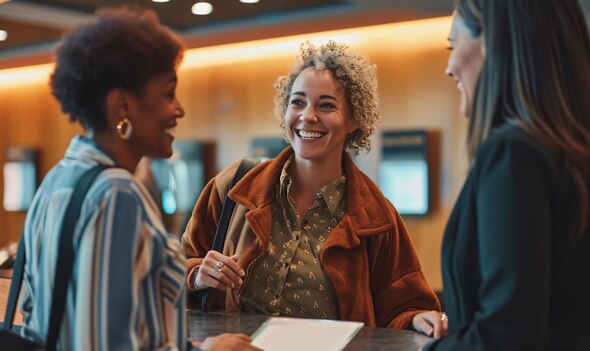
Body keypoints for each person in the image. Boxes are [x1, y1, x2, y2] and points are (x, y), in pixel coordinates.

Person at [19, 7, 259, 351]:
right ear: (122, 105)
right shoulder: (117, 193)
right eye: (167, 94)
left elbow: (35, 315)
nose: (179, 109)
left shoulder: (58, 179)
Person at [182, 41, 445, 336]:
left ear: (354, 119)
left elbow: (403, 305)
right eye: (297, 102)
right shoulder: (235, 184)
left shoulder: (376, 218)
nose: (308, 116)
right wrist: (196, 275)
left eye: (326, 105)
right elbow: (173, 267)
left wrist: (416, 319)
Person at [424, 0, 590, 350]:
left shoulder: (512, 154)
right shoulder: (580, 155)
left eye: (453, 46)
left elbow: (506, 335)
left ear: (492, 43)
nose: (449, 67)